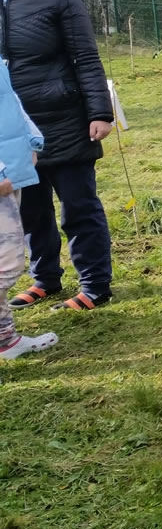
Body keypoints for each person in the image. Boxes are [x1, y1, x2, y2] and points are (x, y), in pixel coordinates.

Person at [0, 0, 115, 313]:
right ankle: (44, 279)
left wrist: (99, 111)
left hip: (65, 119)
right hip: (14, 130)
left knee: (78, 208)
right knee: (31, 211)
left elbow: (86, 56)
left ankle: (95, 283)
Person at [0, 60, 58, 360]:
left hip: (14, 168)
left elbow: (8, 99)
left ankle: (5, 340)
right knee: (6, 266)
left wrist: (31, 140)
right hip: (3, 176)